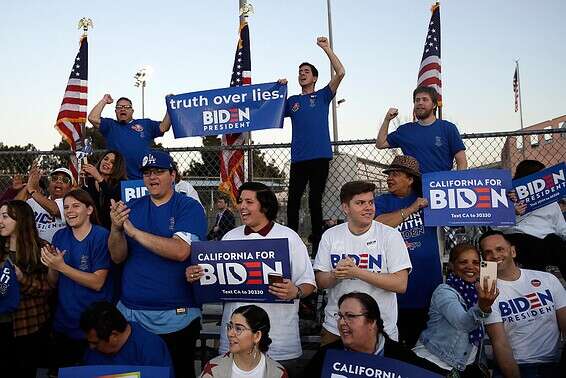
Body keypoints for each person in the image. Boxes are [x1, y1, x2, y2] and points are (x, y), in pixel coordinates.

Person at [186, 182, 316, 377]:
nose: (242, 206)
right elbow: (215, 279)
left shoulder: (289, 238)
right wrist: (197, 274)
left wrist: (295, 291)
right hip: (235, 342)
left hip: (279, 342)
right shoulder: (230, 238)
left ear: (265, 205)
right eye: (240, 201)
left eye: (249, 201)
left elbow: (309, 283)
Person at [108, 149, 207, 378]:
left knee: (177, 372)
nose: (152, 177)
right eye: (147, 173)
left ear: (173, 175)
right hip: (131, 314)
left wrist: (133, 231)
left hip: (176, 316)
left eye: (159, 171)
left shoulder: (188, 206)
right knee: (134, 375)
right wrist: (116, 229)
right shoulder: (132, 206)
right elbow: (117, 256)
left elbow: (181, 251)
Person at [314, 181, 411, 346]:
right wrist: (335, 275)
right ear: (346, 208)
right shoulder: (331, 235)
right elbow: (320, 281)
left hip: (379, 328)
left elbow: (401, 284)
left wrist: (357, 272)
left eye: (371, 202)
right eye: (360, 203)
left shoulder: (390, 235)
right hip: (336, 328)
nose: (368, 207)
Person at [279, 36, 345, 254]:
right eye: (300, 72)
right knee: (293, 202)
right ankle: (291, 244)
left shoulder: (323, 95)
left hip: (319, 157)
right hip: (299, 158)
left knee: (315, 202)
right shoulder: (292, 101)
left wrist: (326, 49)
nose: (302, 74)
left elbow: (341, 72)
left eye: (306, 71)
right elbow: (272, 109)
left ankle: (318, 246)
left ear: (315, 77)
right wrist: (279, 90)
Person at [374, 156, 443, 347]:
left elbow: (462, 210)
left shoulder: (427, 198)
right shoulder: (382, 201)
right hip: (396, 292)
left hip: (427, 284)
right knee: (398, 346)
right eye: (389, 174)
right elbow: (377, 224)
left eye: (395, 174)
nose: (389, 178)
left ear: (410, 179)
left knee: (426, 346)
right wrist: (412, 209)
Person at [41, 189, 114, 369]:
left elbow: (98, 282)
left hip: (95, 325)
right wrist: (52, 264)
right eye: (66, 207)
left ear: (89, 209)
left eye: (75, 206)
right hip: (65, 322)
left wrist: (61, 266)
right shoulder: (60, 236)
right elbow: (52, 282)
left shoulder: (100, 236)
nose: (69, 211)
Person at [480, 230, 566, 377]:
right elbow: (499, 343)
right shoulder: (487, 290)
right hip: (516, 366)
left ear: (512, 251)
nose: (494, 255)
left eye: (499, 249)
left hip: (554, 363)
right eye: (488, 252)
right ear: (484, 258)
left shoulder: (547, 279)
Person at [413, 243, 498, 377]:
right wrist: (483, 306)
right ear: (452, 265)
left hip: (462, 366)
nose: (470, 266)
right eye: (463, 262)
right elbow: (464, 324)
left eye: (476, 262)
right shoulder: (444, 291)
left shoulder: (479, 291)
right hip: (433, 364)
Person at [305, 292, 439, 375]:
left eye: (350, 316)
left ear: (372, 321)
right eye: (340, 316)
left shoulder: (401, 358)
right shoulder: (327, 355)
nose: (342, 322)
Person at [0, 200, 51, 377]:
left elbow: (47, 289)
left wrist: (22, 279)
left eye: (5, 216)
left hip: (29, 326)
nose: (0, 221)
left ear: (20, 219)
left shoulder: (41, 248)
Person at [376, 86, 467, 173]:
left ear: (434, 104)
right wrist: (387, 120)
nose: (420, 102)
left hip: (440, 185)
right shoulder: (405, 130)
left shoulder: (448, 128)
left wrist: (458, 183)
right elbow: (380, 144)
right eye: (417, 100)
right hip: (414, 186)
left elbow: (462, 161)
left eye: (425, 99)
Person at [500, 159, 566, 275]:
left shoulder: (551, 201)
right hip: (520, 238)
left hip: (548, 239)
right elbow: (496, 228)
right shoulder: (507, 197)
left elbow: (562, 228)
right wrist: (512, 214)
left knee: (558, 244)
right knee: (533, 247)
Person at [87, 95, 171, 180]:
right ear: (116, 111)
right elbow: (92, 118)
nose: (123, 109)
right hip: (117, 180)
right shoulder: (110, 125)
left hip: (143, 179)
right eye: (119, 107)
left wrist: (170, 107)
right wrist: (104, 100)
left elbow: (164, 127)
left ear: (132, 111)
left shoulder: (145, 124)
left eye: (127, 107)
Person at [80, 301, 173, 374]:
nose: (91, 347)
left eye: (95, 343)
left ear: (114, 336)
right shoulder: (92, 353)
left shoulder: (151, 349)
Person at [201, 305, 287, 378]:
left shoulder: (277, 373)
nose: (230, 333)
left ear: (257, 336)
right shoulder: (213, 370)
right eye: (230, 327)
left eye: (238, 329)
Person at [15, 166, 74, 243]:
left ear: (70, 188)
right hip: (33, 249)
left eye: (65, 180)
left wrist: (32, 190)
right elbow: (14, 208)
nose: (59, 181)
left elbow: (55, 210)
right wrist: (29, 184)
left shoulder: (71, 204)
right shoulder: (36, 200)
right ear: (49, 186)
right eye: (54, 178)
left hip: (58, 252)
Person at [82, 150, 128, 230]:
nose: (107, 162)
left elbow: (113, 200)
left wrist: (99, 178)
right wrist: (81, 182)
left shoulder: (121, 184)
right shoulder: (89, 181)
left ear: (117, 167)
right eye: (105, 159)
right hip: (91, 230)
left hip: (112, 231)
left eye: (112, 162)